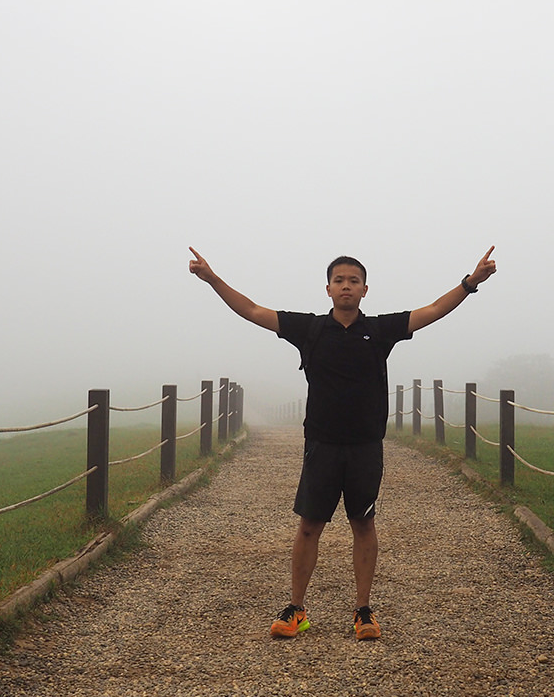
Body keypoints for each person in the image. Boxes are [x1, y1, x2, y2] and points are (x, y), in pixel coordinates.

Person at [188, 245, 498, 640]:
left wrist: (471, 283)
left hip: (365, 446)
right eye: (339, 281)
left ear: (365, 290)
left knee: (363, 524)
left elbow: (433, 310)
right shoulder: (311, 329)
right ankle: (297, 608)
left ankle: (363, 610)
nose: (346, 286)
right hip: (322, 443)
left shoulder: (381, 330)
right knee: (308, 528)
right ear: (328, 289)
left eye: (353, 281)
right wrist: (213, 279)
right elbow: (252, 311)